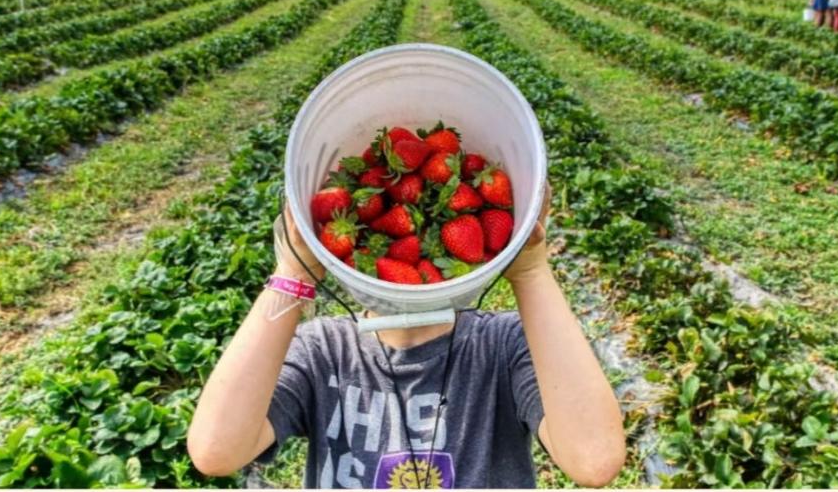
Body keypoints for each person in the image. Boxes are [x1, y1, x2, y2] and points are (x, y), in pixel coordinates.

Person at [186, 186, 627, 488]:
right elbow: (215, 451)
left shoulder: (504, 346)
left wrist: (530, 270)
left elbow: (594, 459)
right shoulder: (322, 352)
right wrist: (292, 273)